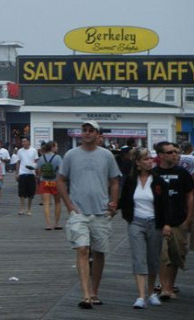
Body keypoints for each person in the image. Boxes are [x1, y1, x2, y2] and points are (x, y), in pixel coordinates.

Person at [57, 120, 121, 309]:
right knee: (83, 249)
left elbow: (115, 181)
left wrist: (114, 203)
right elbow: (60, 180)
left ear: (98, 134)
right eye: (84, 130)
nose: (86, 133)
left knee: (99, 252)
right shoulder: (71, 154)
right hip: (79, 211)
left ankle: (94, 291)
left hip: (101, 211)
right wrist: (68, 205)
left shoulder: (107, 155)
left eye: (90, 130)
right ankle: (85, 294)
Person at [119, 147, 172, 309]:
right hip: (136, 222)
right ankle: (141, 296)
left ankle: (151, 293)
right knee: (138, 257)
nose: (150, 161)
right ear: (137, 163)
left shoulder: (158, 181)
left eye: (150, 158)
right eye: (146, 159)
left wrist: (167, 223)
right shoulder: (130, 181)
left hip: (154, 222)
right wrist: (115, 208)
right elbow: (124, 200)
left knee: (153, 259)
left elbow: (165, 204)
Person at [153, 141, 194, 300]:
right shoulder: (154, 173)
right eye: (170, 152)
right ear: (161, 155)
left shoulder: (182, 173)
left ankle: (170, 285)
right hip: (160, 221)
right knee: (163, 255)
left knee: (176, 254)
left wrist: (189, 218)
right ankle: (164, 287)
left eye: (176, 152)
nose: (175, 155)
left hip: (179, 219)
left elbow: (190, 194)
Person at [36, 141, 63, 230]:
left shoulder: (42, 158)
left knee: (46, 204)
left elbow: (38, 170)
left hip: (45, 182)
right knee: (58, 202)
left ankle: (48, 224)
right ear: (52, 147)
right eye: (56, 146)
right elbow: (61, 170)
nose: (57, 148)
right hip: (55, 182)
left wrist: (38, 179)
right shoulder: (58, 157)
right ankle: (57, 223)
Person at [16, 136, 38, 216]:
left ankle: (29, 209)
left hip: (31, 173)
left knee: (30, 193)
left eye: (25, 141)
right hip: (22, 173)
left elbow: (36, 161)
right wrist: (17, 173)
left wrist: (35, 171)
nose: (23, 143)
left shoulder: (33, 150)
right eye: (22, 142)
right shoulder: (20, 151)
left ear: (29, 142)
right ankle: (22, 209)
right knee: (21, 192)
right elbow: (18, 162)